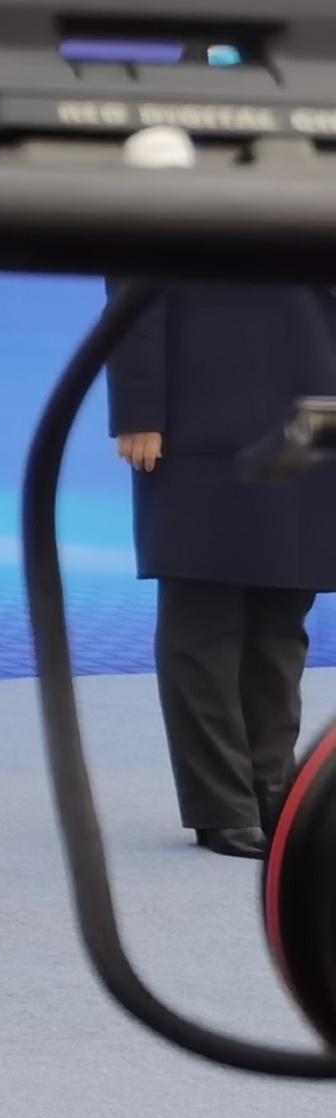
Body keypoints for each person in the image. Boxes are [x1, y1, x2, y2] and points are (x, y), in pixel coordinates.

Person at [108, 278, 336, 858]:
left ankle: (272, 791)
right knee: (203, 612)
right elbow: (134, 275)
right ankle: (221, 807)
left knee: (283, 614)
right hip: (199, 403)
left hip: (317, 399)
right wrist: (139, 406)